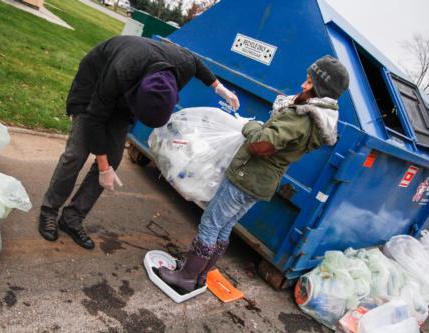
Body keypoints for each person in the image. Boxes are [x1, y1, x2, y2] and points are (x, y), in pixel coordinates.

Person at [159, 55, 350, 292]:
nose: (303, 85)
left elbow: (260, 145)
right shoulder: (315, 120)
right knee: (223, 227)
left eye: (309, 82)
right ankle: (199, 275)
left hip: (246, 177)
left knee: (210, 223)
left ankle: (186, 277)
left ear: (321, 89)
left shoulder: (301, 118)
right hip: (259, 182)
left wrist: (249, 127)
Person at [38, 36, 239, 249]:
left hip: (127, 89)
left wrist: (219, 88)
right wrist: (102, 168)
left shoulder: (181, 65)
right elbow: (96, 120)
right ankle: (49, 210)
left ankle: (72, 218)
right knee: (76, 155)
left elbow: (197, 63)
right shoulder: (121, 69)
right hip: (95, 84)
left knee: (113, 159)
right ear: (134, 100)